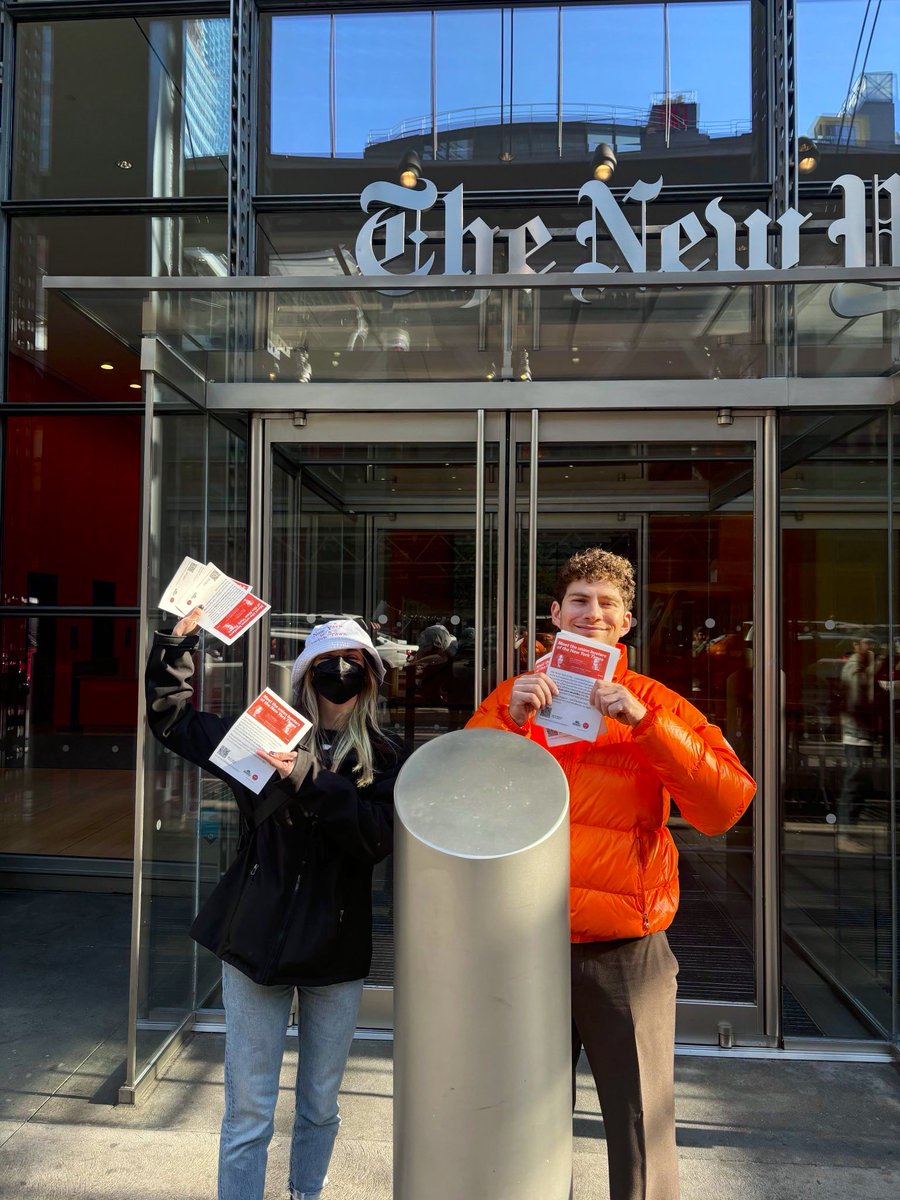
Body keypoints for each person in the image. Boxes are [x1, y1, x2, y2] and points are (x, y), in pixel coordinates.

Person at [467, 548, 756, 1200]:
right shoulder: (512, 698)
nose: (591, 613)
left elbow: (724, 807)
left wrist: (645, 726)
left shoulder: (654, 702)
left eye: (607, 604)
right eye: (579, 600)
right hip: (524, 941)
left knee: (640, 1129)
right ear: (555, 613)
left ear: (626, 622)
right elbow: (459, 801)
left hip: (626, 949)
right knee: (519, 1130)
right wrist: (507, 720)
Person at [145, 615, 403, 1200]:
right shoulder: (264, 734)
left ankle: (305, 1192)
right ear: (307, 673)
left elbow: (375, 836)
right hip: (255, 941)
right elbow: (174, 722)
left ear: (370, 677)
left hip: (336, 952)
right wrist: (177, 644)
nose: (341, 672)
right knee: (248, 1111)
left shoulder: (387, 755)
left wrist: (307, 777)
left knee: (319, 1106)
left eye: (354, 663)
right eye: (329, 662)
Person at [837, 636, 881, 828]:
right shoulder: (854, 667)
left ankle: (851, 822)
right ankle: (846, 826)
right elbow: (859, 700)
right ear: (856, 646)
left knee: (860, 782)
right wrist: (873, 669)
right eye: (867, 643)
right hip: (856, 734)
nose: (871, 647)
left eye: (872, 643)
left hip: (862, 734)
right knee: (854, 782)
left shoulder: (861, 667)